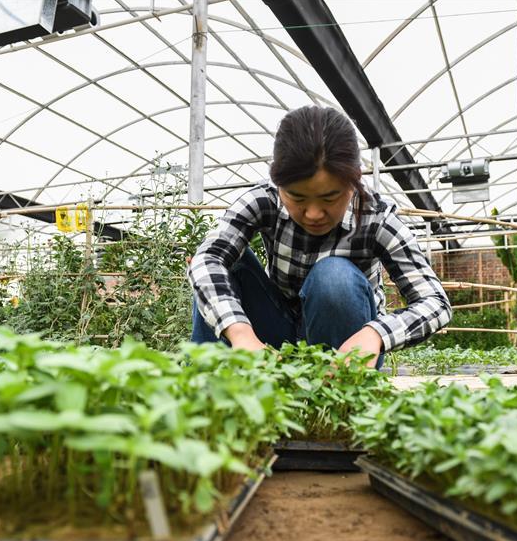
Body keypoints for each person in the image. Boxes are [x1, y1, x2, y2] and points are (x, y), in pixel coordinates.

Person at [187, 105, 451, 368]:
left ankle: (341, 397)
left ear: (354, 180)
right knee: (223, 264)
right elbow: (208, 259)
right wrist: (240, 332)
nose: (313, 213)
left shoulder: (376, 217)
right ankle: (208, 395)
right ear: (278, 183)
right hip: (276, 335)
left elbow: (435, 303)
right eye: (297, 197)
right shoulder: (263, 200)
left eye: (329, 197)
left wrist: (376, 334)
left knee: (334, 277)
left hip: (348, 344)